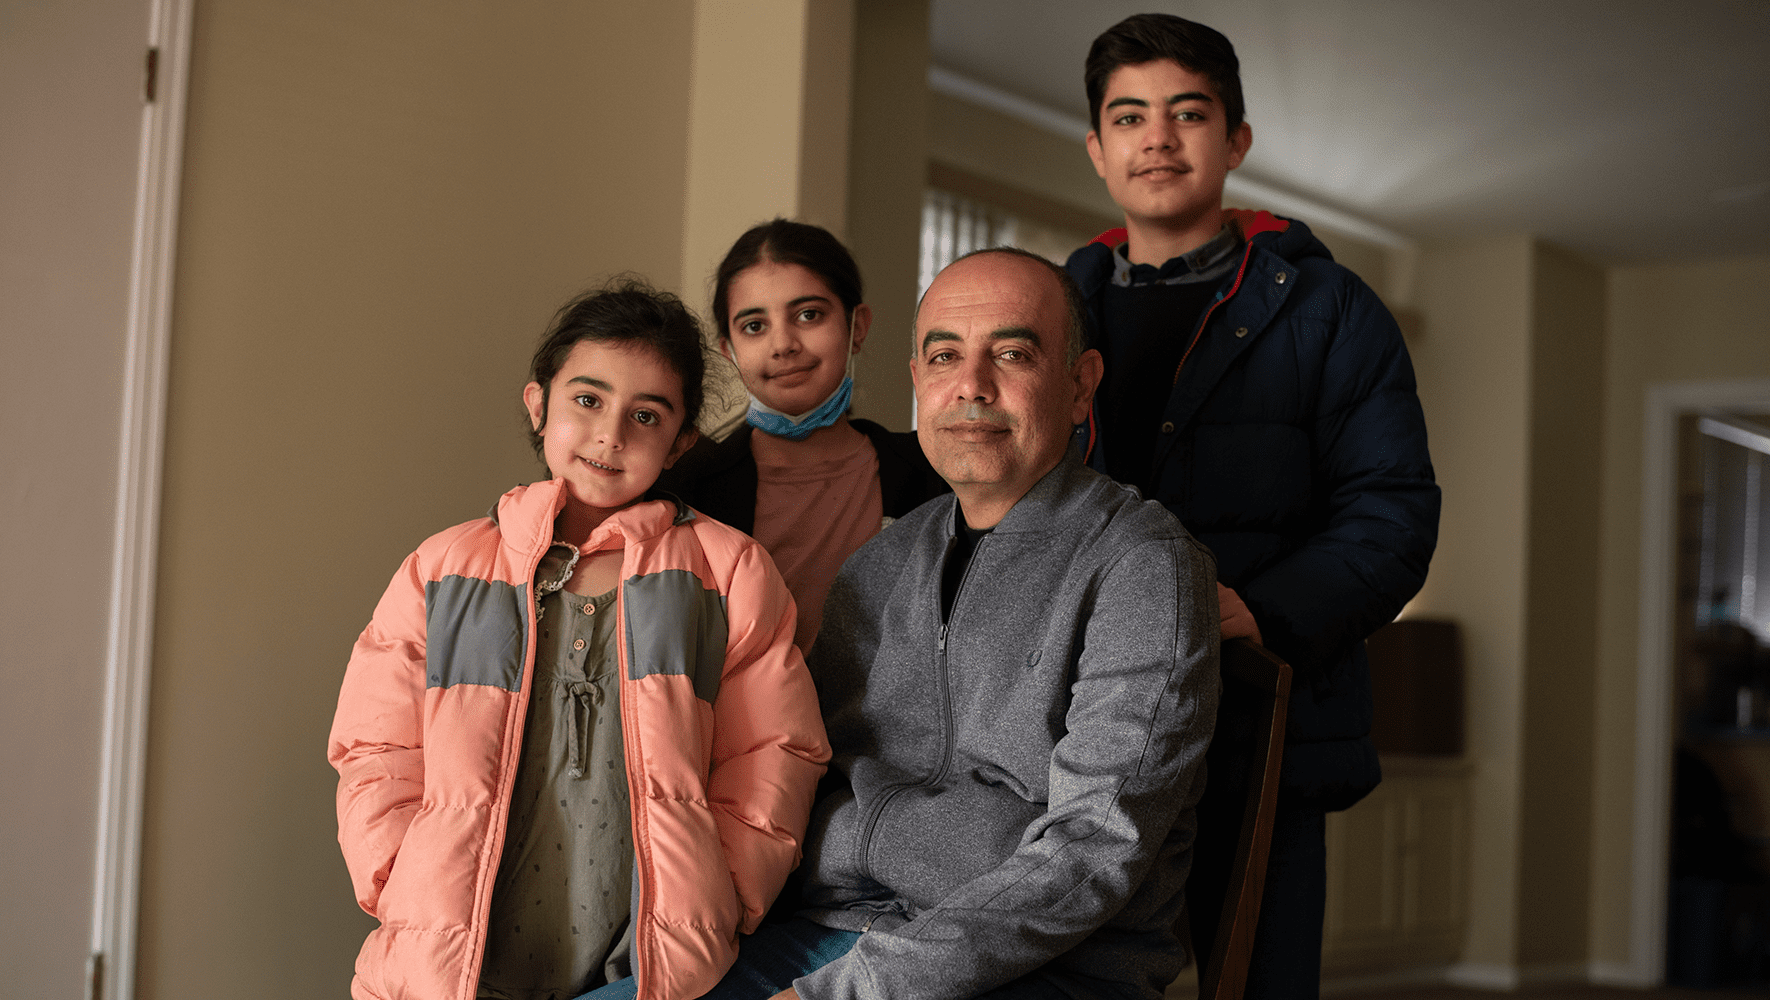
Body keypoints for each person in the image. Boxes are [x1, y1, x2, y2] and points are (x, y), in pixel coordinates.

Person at [613, 248, 1220, 1000]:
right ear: (917, 382)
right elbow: (796, 770)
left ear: (1080, 385)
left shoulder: (1144, 566)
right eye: (944, 356)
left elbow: (1093, 849)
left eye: (1012, 352)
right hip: (831, 927)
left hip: (1044, 968)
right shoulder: (880, 563)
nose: (971, 385)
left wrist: (847, 993)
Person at [1064, 14, 1441, 998]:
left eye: (1188, 113)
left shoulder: (1330, 307)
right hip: (1070, 721)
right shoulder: (1045, 312)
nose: (1159, 138)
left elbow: (1392, 516)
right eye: (1130, 116)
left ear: (1236, 139)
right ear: (1097, 148)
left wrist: (1254, 612)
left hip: (1264, 715)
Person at [328, 279, 831, 1000]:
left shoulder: (729, 573)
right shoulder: (441, 570)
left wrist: (724, 889)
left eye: (646, 415)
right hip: (451, 963)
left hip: (644, 966)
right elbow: (374, 747)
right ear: (540, 405)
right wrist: (397, 872)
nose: (610, 435)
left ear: (682, 439)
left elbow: (776, 751)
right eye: (587, 400)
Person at [658, 219, 948, 652]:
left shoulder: (932, 471)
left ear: (858, 326)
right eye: (754, 326)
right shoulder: (686, 488)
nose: (783, 344)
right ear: (729, 351)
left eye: (809, 315)